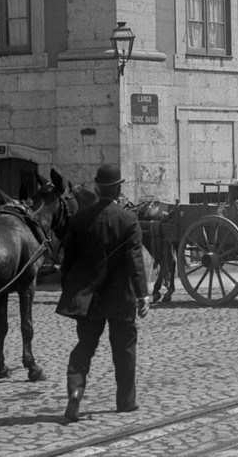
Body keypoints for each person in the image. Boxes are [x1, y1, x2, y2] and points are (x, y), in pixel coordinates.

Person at [55, 162, 150, 422]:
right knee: (125, 349)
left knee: (84, 347)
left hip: (88, 300)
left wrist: (71, 290)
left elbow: (67, 263)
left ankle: (75, 394)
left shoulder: (80, 219)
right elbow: (135, 262)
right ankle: (126, 402)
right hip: (121, 298)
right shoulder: (128, 219)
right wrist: (144, 295)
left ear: (97, 187)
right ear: (118, 190)